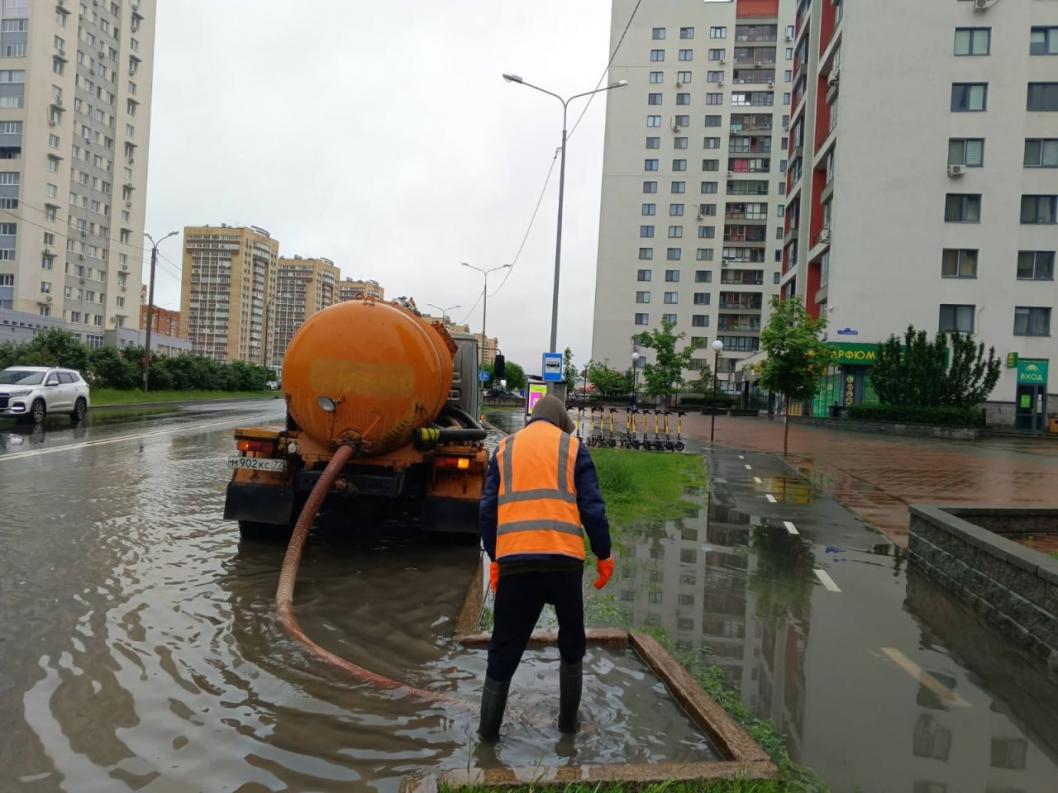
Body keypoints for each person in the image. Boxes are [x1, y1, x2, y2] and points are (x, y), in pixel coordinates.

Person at [477, 394, 614, 742]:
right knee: (572, 644)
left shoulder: (504, 450)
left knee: (504, 647)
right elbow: (593, 509)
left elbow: (487, 511)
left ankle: (487, 739)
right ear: (559, 420)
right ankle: (569, 729)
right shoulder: (573, 448)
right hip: (564, 564)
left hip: (516, 565)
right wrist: (604, 554)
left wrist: (496, 557)